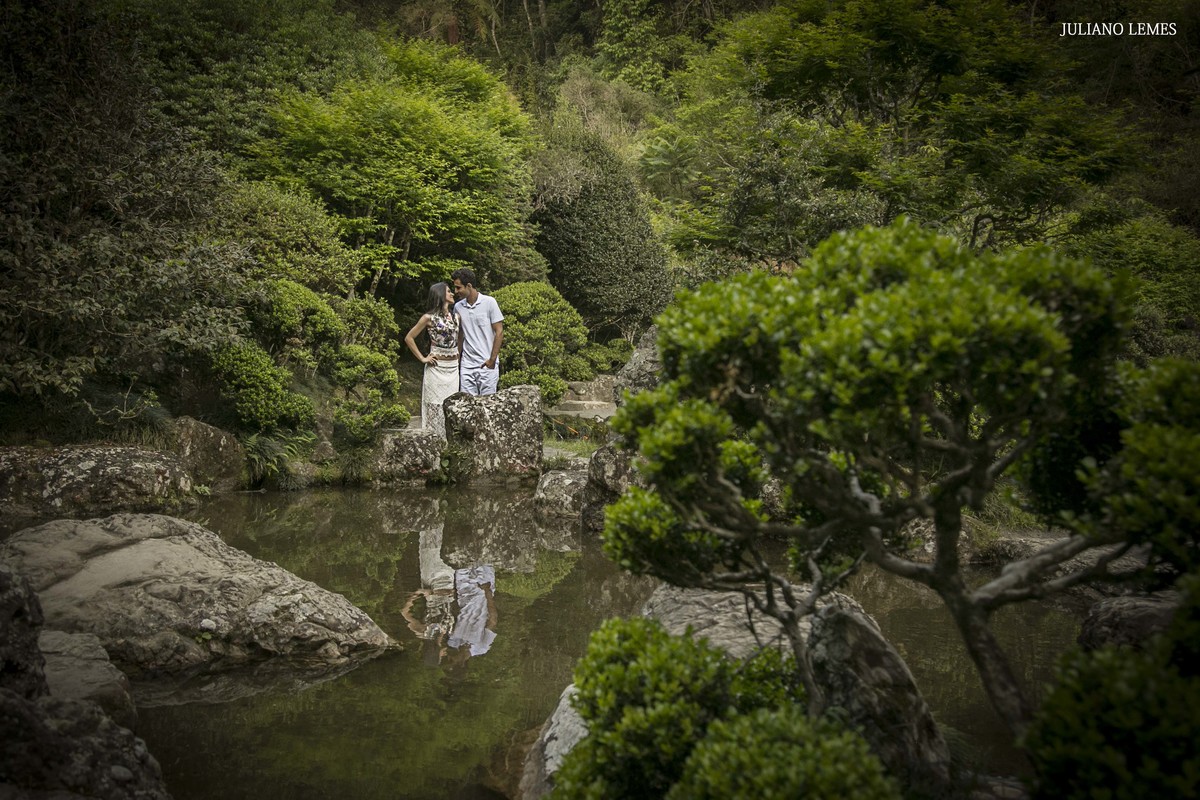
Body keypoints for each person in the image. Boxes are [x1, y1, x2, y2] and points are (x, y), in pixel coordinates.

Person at [404, 282, 461, 437]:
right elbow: (409, 338)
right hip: (436, 368)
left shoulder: (456, 316)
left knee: (451, 405)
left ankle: (450, 443)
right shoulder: (428, 318)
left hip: (453, 368)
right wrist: (423, 358)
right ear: (441, 295)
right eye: (449, 291)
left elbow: (459, 339)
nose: (452, 294)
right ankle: (433, 440)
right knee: (434, 405)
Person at [451, 267, 504, 396]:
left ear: (469, 285)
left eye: (458, 288)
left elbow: (499, 331)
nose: (455, 291)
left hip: (486, 365)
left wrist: (492, 360)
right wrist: (457, 359)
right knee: (468, 407)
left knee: (488, 406)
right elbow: (460, 335)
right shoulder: (458, 307)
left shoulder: (489, 302)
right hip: (467, 365)